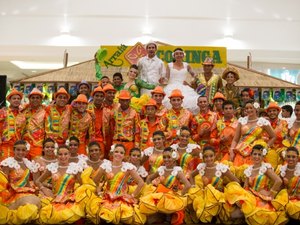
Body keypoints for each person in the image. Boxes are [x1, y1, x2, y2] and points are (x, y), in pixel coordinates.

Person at [225, 144, 288, 225]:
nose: (257, 156)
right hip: (251, 196)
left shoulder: (265, 168)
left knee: (256, 216)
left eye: (259, 154)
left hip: (261, 198)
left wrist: (270, 194)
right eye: (255, 154)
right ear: (251, 155)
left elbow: (278, 181)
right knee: (234, 214)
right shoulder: (249, 169)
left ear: (263, 157)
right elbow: (245, 187)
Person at [87, 144, 145, 224]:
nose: (118, 154)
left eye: (121, 153)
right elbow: (94, 181)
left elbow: (141, 182)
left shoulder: (128, 167)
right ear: (112, 153)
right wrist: (98, 190)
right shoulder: (105, 166)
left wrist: (132, 195)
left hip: (122, 199)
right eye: (116, 151)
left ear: (124, 155)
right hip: (106, 198)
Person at [139, 147, 191, 225]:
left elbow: (188, 185)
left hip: (172, 198)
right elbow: (149, 178)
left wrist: (179, 195)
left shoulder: (177, 171)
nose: (166, 159)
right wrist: (149, 189)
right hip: (160, 196)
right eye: (164, 157)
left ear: (174, 158)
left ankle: (168, 217)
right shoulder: (161, 170)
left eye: (169, 157)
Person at [189, 145, 240, 223]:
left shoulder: (221, 168)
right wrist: (193, 187)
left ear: (215, 155)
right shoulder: (201, 167)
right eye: (206, 156)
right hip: (205, 197)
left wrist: (228, 190)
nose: (209, 159)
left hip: (219, 198)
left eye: (211, 156)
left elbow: (236, 181)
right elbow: (191, 175)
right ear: (203, 157)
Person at [36, 145, 85, 224]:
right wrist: (45, 189)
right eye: (60, 154)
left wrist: (77, 194)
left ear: (69, 155)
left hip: (70, 200)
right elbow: (38, 181)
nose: (63, 156)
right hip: (54, 199)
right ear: (56, 155)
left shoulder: (75, 167)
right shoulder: (52, 167)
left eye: (65, 154)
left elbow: (83, 185)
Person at [0, 140, 41, 224]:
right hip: (12, 193)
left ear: (26, 151)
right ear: (14, 150)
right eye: (18, 150)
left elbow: (27, 182)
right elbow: (3, 182)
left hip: (25, 191)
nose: (20, 152)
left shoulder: (27, 163)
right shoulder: (8, 163)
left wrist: (33, 189)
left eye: (23, 150)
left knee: (37, 202)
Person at [230, 100, 276, 166]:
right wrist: (231, 150)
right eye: (247, 108)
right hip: (241, 150)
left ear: (256, 109)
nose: (249, 110)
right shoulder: (242, 121)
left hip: (256, 152)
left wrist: (266, 147)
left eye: (251, 108)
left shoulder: (262, 121)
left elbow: (273, 136)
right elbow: (235, 139)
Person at [163, 48, 199, 114]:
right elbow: (166, 78)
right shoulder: (169, 65)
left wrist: (191, 82)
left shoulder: (187, 65)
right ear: (174, 56)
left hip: (184, 87)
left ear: (183, 55)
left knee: (188, 102)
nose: (178, 55)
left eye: (180, 53)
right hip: (171, 87)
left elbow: (194, 75)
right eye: (176, 54)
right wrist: (163, 81)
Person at [112, 90, 141, 155]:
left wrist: (136, 146)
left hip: (129, 143)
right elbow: (111, 127)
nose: (124, 102)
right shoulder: (114, 112)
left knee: (128, 163)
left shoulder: (134, 113)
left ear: (130, 101)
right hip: (116, 142)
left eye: (126, 100)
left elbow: (137, 131)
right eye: (122, 100)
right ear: (119, 100)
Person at [0, 89, 26, 161]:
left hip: (18, 147)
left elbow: (23, 132)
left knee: (16, 168)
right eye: (14, 98)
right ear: (9, 100)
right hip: (5, 145)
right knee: (4, 167)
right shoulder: (3, 111)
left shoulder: (22, 115)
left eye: (18, 99)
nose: (16, 100)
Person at [275, 147, 300, 221]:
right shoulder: (281, 169)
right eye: (288, 156)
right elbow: (279, 188)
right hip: (285, 199)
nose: (291, 159)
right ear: (285, 157)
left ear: (297, 158)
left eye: (293, 157)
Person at [88, 86, 112, 158]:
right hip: (88, 140)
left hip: (101, 141)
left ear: (103, 98)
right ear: (93, 96)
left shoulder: (107, 111)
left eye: (101, 96)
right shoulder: (86, 108)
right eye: (97, 96)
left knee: (100, 162)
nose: (99, 98)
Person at [22, 88, 46, 159]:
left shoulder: (45, 111)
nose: (35, 99)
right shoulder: (24, 110)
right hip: (24, 144)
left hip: (38, 144)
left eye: (37, 98)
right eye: (33, 98)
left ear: (41, 100)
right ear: (29, 99)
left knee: (36, 166)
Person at [264, 102, 288, 168]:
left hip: (281, 149)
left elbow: (285, 138)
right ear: (267, 113)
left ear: (278, 112)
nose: (272, 113)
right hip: (268, 150)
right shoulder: (264, 124)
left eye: (274, 110)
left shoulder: (284, 123)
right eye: (270, 111)